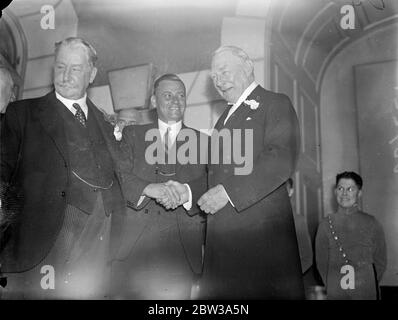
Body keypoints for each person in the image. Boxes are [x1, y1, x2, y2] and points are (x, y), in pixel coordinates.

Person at [0, 37, 128, 299]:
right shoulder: (21, 113)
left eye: (76, 68)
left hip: (98, 244)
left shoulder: (107, 122)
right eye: (60, 67)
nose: (66, 75)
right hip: (39, 248)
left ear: (91, 74)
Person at [197, 45, 304, 299]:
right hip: (223, 247)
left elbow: (280, 159)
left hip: (261, 244)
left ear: (247, 67)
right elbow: (216, 177)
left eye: (223, 71)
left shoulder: (275, 103)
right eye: (214, 77)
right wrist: (186, 191)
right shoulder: (223, 119)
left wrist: (229, 193)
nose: (219, 81)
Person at [113, 73, 208, 299]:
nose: (175, 101)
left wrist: (187, 194)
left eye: (181, 95)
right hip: (134, 249)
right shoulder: (132, 135)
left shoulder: (205, 142)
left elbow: (210, 183)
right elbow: (118, 174)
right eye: (167, 95)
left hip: (180, 253)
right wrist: (148, 188)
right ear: (154, 101)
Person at [315, 171, 387, 300]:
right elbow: (321, 263)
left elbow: (380, 262)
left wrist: (365, 284)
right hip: (336, 293)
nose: (344, 193)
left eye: (350, 189)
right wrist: (334, 286)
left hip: (365, 292)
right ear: (335, 192)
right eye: (340, 188)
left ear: (359, 193)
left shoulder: (372, 223)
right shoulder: (325, 224)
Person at [286, 178, 313, 275]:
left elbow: (307, 258)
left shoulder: (299, 221)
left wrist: (291, 276)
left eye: (285, 188)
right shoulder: (265, 220)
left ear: (291, 191)